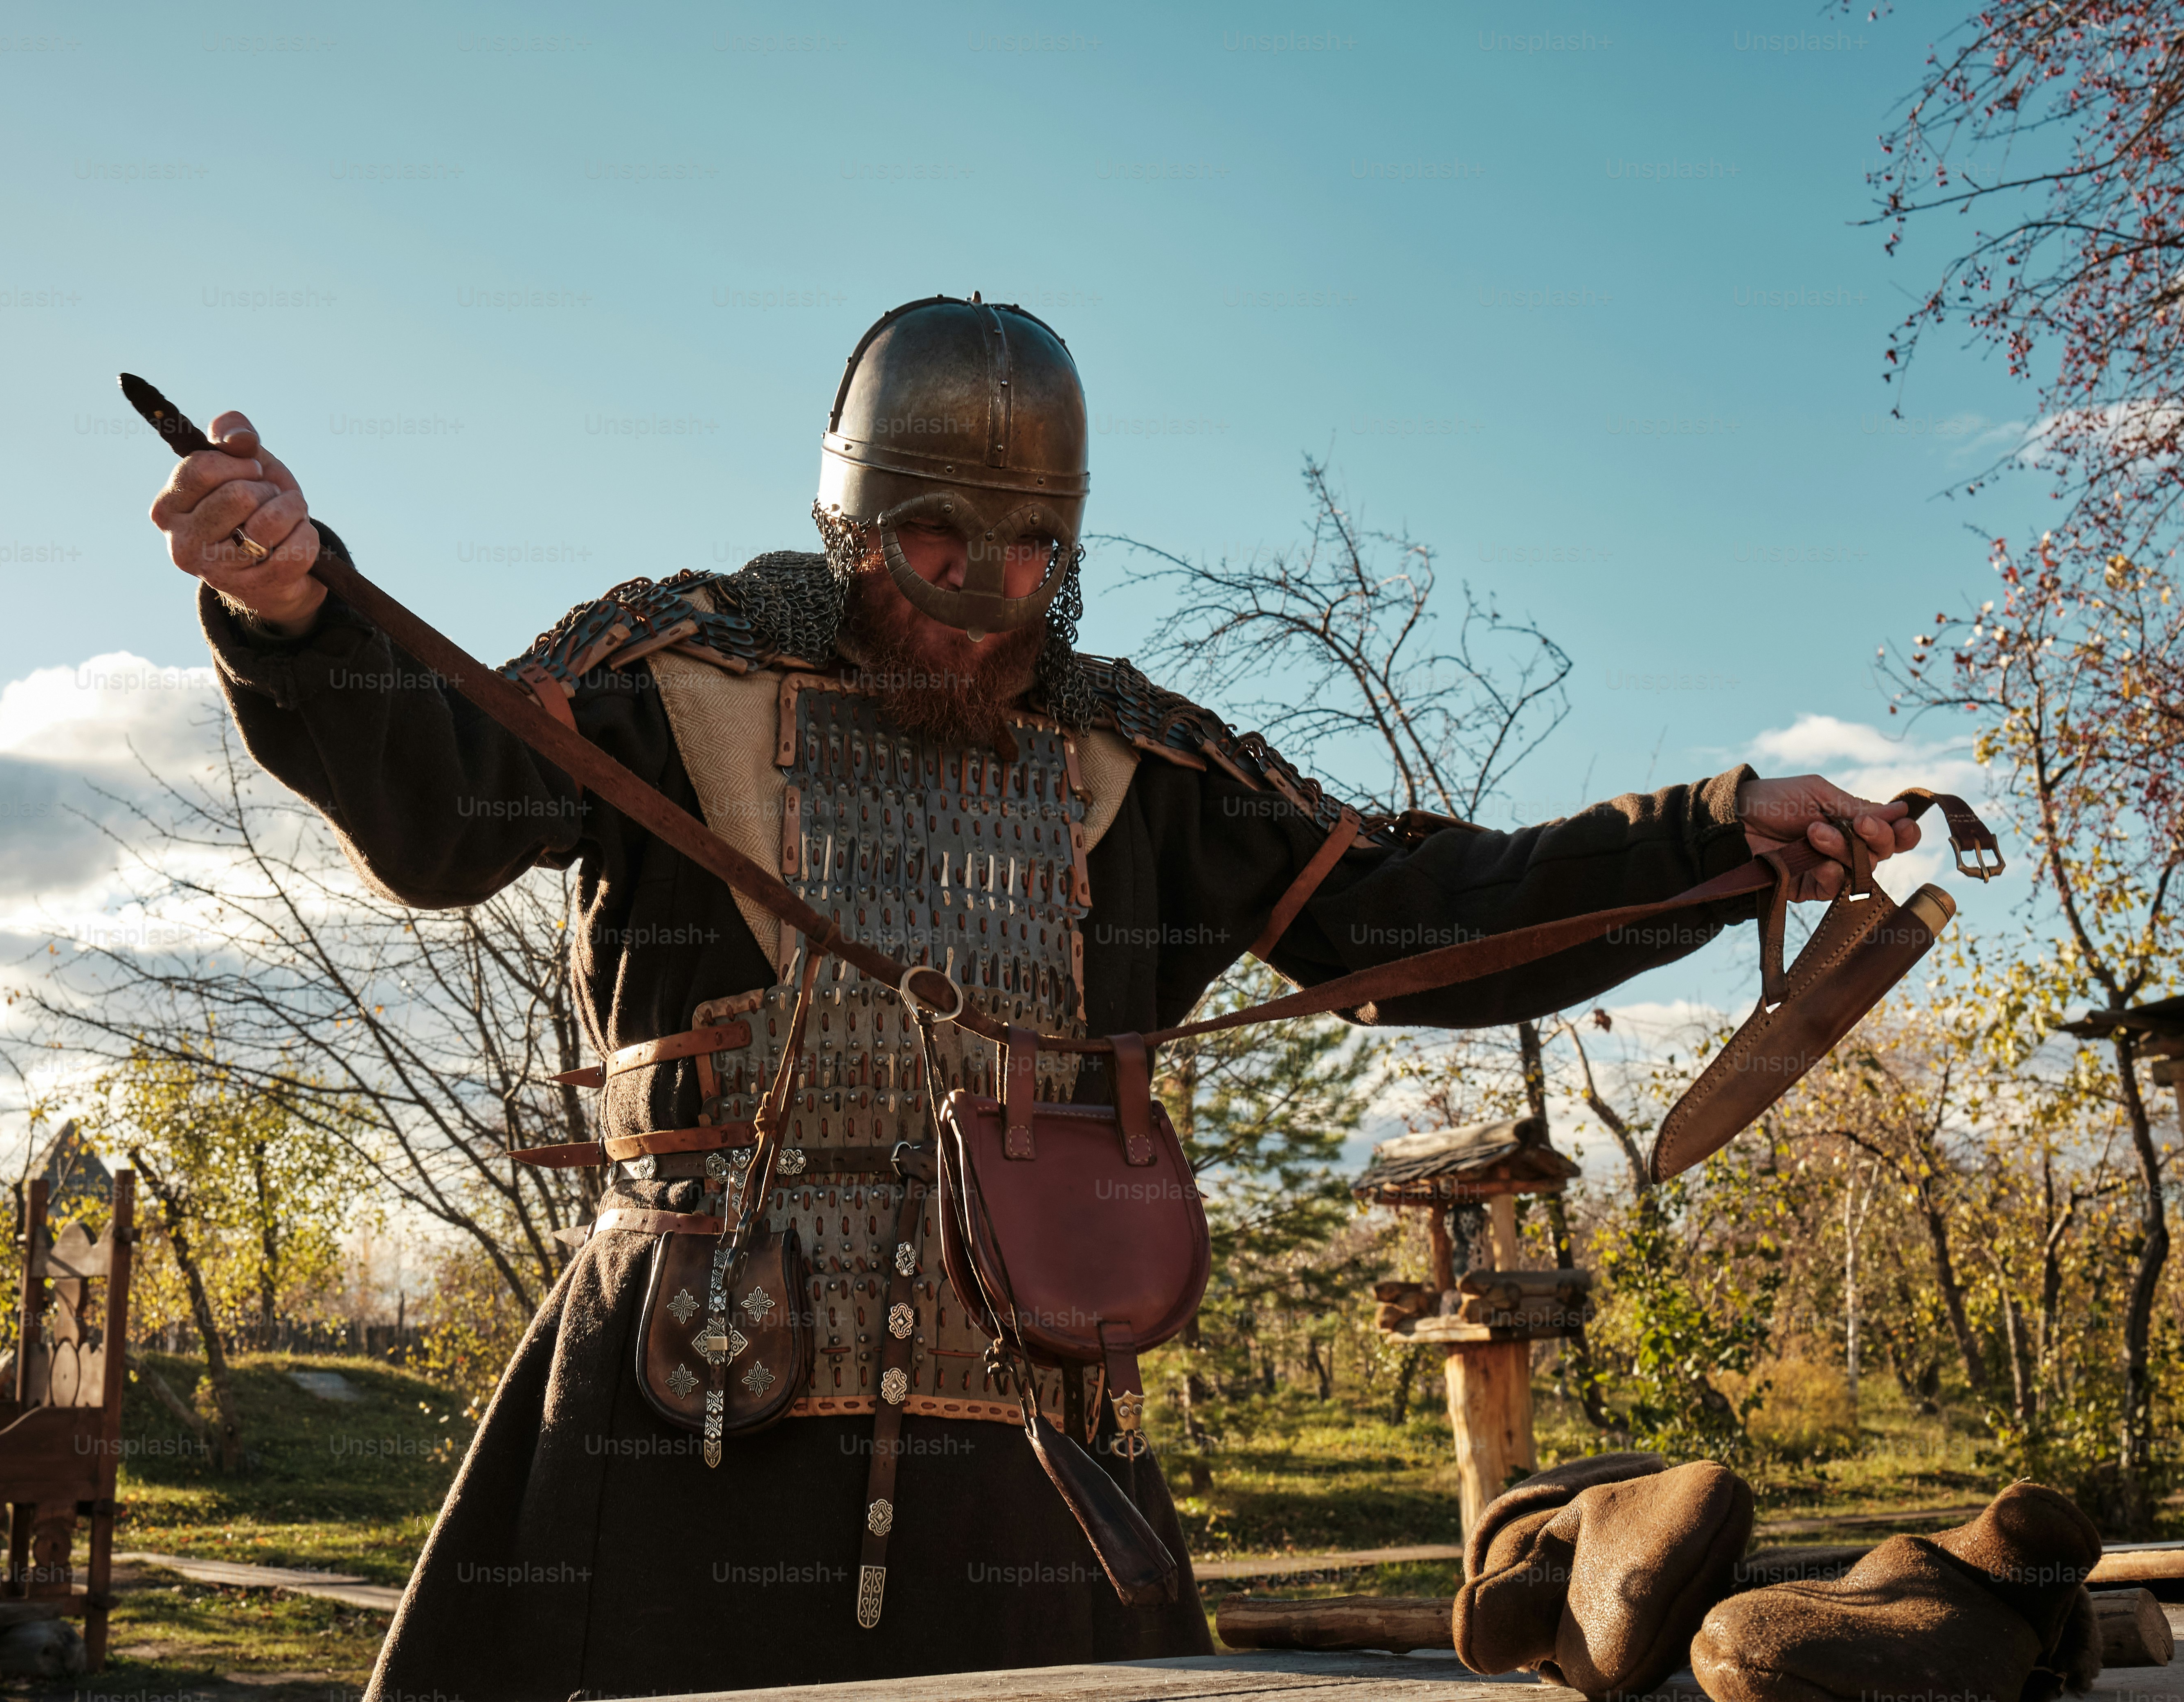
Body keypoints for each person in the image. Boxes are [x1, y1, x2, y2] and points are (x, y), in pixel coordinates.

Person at [146, 295, 1919, 1700]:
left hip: (1033, 1461)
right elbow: (446, 808)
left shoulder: (1140, 759)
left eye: (1021, 552)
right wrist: (300, 608)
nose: (978, 595)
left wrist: (1711, 835)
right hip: (686, 1413)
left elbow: (1415, 908)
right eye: (932, 541)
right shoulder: (667, 669)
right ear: (849, 516)